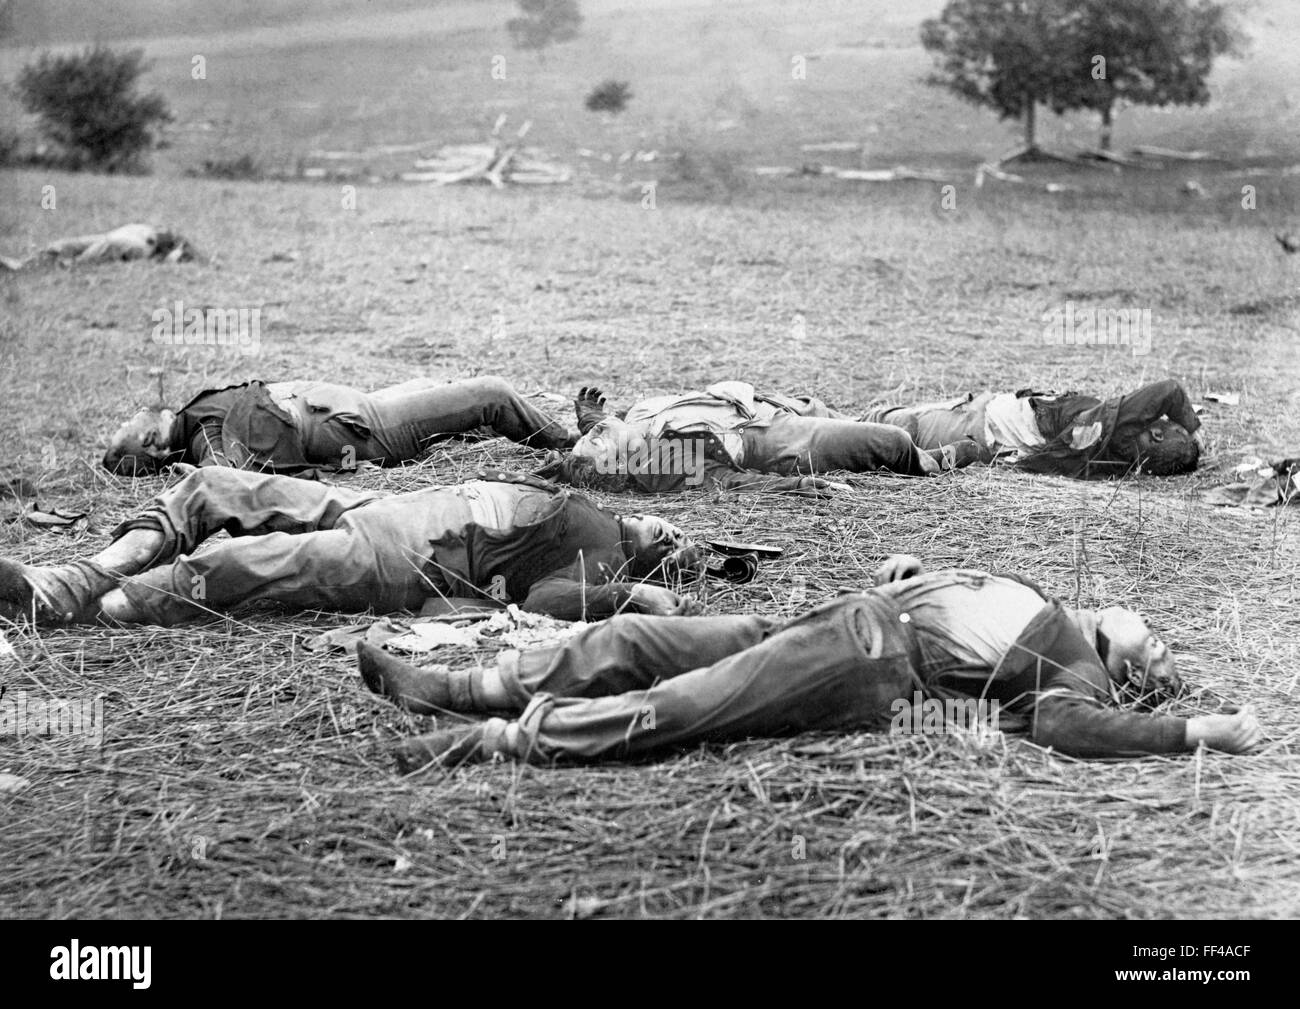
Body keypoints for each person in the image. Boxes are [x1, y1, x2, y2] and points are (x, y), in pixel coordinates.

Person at [361, 554, 1262, 768]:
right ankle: (451, 684)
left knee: (685, 704)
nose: (1160, 632)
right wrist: (915, 569)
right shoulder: (1051, 602)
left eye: (1165, 650)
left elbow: (1067, 725)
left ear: (1131, 667)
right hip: (842, 615)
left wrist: (1193, 729)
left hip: (867, 660)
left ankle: (492, 740)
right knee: (634, 640)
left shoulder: (1083, 673)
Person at [0, 469, 700, 627]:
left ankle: (89, 607)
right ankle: (83, 571)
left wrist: (630, 592)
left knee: (245, 564)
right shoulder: (595, 507)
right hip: (389, 508)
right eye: (675, 529)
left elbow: (545, 600)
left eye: (674, 550)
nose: (670, 537)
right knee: (214, 486)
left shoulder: (606, 561)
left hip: (405, 560)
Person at [545, 382, 980, 494]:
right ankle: (930, 462)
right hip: (777, 437)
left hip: (774, 403)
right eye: (598, 442)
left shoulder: (632, 419)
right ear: (623, 464)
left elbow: (601, 434)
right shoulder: (666, 462)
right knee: (890, 440)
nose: (598, 432)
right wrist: (801, 486)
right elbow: (731, 483)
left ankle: (939, 423)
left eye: (594, 432)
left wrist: (590, 424)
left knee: (876, 415)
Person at [103, 376, 575, 476]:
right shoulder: (203, 436)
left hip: (359, 406)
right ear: (153, 441)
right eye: (127, 425)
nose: (132, 413)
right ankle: (574, 444)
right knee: (491, 394)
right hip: (367, 427)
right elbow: (225, 476)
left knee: (444, 385)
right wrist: (198, 476)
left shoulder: (194, 419)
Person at [860, 379, 1200, 478]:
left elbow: (1169, 390)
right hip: (979, 430)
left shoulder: (1116, 426)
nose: (1166, 420)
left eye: (1171, 427)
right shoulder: (1120, 463)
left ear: (1156, 433)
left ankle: (813, 418)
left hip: (971, 424)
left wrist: (1194, 432)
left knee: (881, 423)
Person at [0, 223, 202, 271]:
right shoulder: (143, 245)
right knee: (69, 257)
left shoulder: (144, 234)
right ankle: (24, 266)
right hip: (116, 241)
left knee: (63, 248)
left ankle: (24, 265)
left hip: (115, 239)